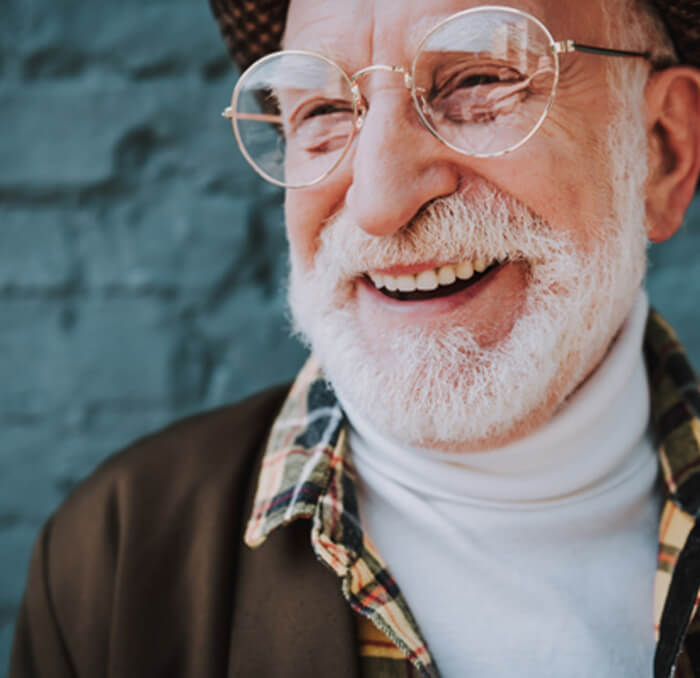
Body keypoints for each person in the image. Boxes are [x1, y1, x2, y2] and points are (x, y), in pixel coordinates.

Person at [9, 0, 700, 676]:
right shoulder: (113, 562)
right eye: (324, 112)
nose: (378, 201)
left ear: (663, 150)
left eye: (479, 82)